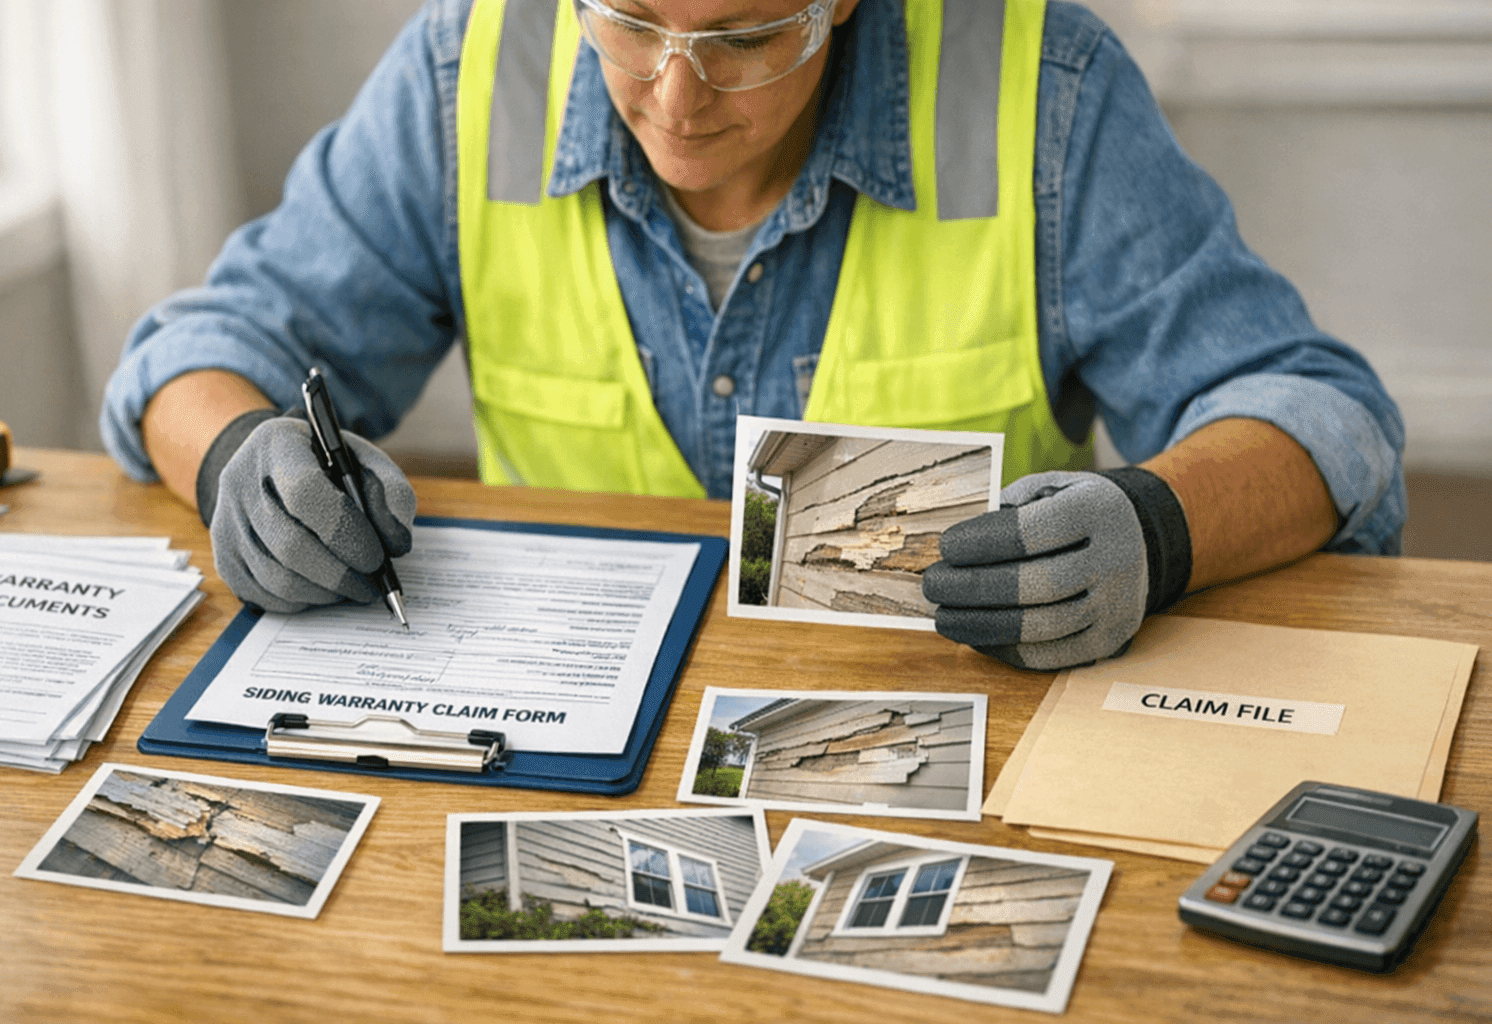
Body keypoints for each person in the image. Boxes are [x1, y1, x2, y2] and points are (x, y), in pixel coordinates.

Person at [101, 0, 1405, 670]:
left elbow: (1319, 416)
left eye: (743, 36)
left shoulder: (1042, 87)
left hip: (958, 730)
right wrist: (241, 457)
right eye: (630, 22)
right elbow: (203, 346)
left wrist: (1157, 530)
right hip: (564, 743)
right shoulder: (472, 64)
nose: (675, 96)